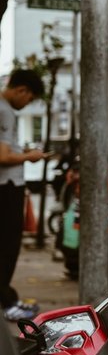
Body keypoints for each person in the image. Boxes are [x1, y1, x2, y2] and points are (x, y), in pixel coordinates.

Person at [0, 70, 48, 322]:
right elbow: (3, 156)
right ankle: (6, 302)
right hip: (7, 186)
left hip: (7, 185)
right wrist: (30, 156)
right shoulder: (5, 111)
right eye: (29, 99)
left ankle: (7, 298)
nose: (27, 103)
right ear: (22, 90)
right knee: (8, 245)